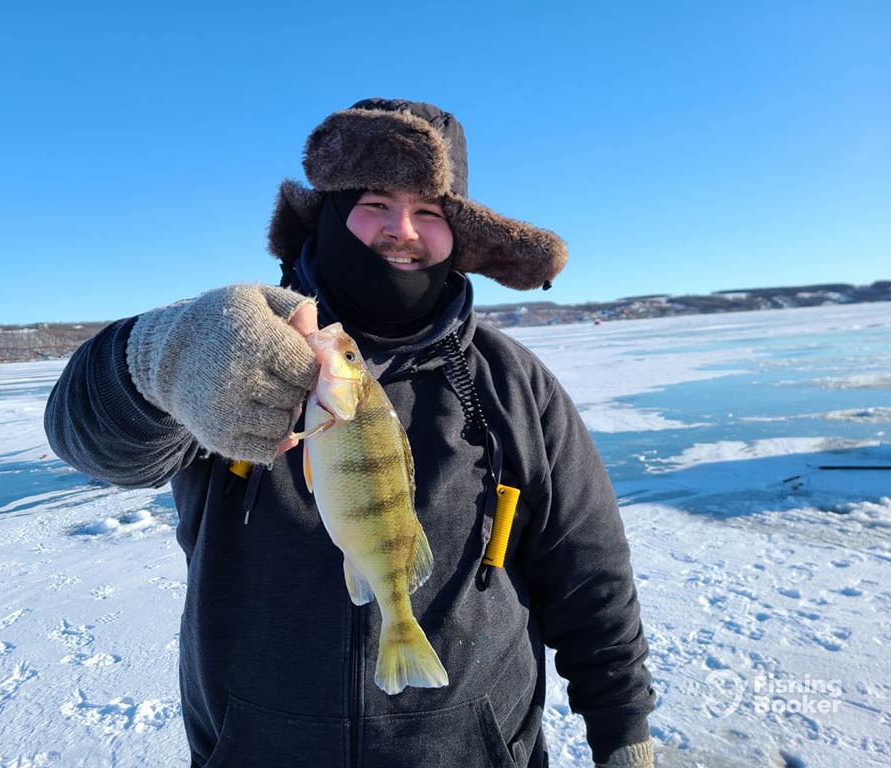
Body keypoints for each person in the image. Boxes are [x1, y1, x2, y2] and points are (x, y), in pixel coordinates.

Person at [45, 98, 655, 768]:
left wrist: (623, 733)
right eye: (374, 203)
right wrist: (152, 359)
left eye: (429, 211)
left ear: (457, 232)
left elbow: (589, 571)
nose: (404, 230)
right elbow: (90, 441)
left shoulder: (511, 381)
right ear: (329, 216)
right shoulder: (234, 351)